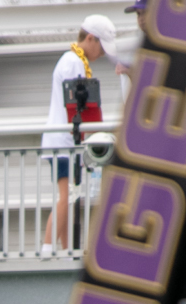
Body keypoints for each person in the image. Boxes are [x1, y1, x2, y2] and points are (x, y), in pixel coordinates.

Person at [40, 14, 129, 255]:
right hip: (63, 142)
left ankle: (67, 250)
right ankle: (47, 249)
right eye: (101, 46)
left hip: (67, 142)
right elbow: (78, 109)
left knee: (71, 196)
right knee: (67, 196)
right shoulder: (73, 62)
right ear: (90, 38)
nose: (101, 53)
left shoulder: (74, 61)